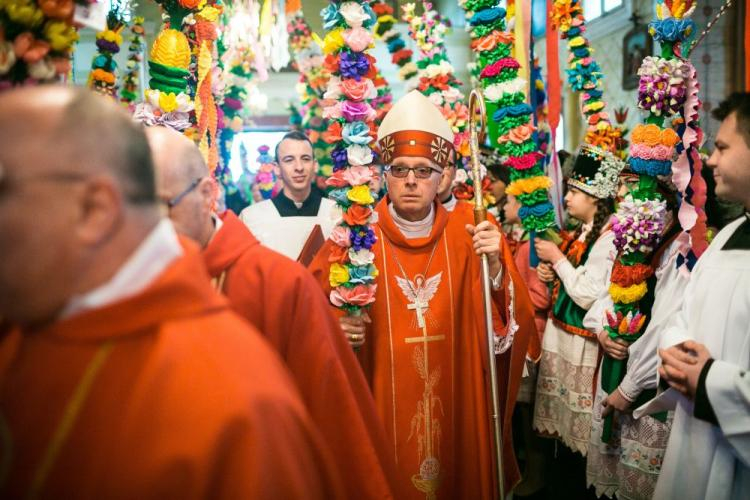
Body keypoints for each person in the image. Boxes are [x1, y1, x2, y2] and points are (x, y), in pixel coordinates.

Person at [0, 86, 344, 499]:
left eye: (5, 189)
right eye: (290, 159)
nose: (299, 168)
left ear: (97, 209)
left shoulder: (238, 397)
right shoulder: (20, 338)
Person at [308, 90, 537, 498]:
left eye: (423, 170)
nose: (411, 180)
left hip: (457, 399)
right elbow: (305, 309)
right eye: (399, 169)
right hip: (380, 401)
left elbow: (509, 329)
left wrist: (498, 270)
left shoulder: (474, 231)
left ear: (442, 177)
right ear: (383, 175)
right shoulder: (354, 236)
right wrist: (336, 325)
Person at [146, 125, 396, 500]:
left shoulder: (282, 272)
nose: (151, 229)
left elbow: (334, 412)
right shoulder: (254, 217)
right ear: (276, 167)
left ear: (207, 195)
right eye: (138, 208)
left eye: (163, 206)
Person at [635, 92, 750, 499]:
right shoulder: (733, 234)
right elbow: (686, 310)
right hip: (693, 434)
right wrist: (675, 350)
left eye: (721, 147)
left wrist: (710, 380)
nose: (712, 160)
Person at [582, 173, 684, 500]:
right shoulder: (630, 240)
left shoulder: (678, 246)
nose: (622, 198)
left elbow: (668, 324)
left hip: (648, 387)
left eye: (630, 190)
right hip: (617, 373)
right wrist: (601, 330)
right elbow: (604, 298)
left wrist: (630, 386)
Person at [532, 144, 623, 494]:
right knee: (563, 431)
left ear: (595, 198)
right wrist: (552, 271)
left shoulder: (609, 236)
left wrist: (556, 258)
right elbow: (573, 279)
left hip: (582, 348)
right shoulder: (586, 231)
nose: (566, 198)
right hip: (564, 340)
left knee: (578, 434)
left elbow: (587, 294)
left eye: (573, 191)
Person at [240, 130, 335, 260]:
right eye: (289, 160)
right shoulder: (252, 218)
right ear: (277, 168)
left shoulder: (336, 213)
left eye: (305, 159)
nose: (299, 167)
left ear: (315, 165)